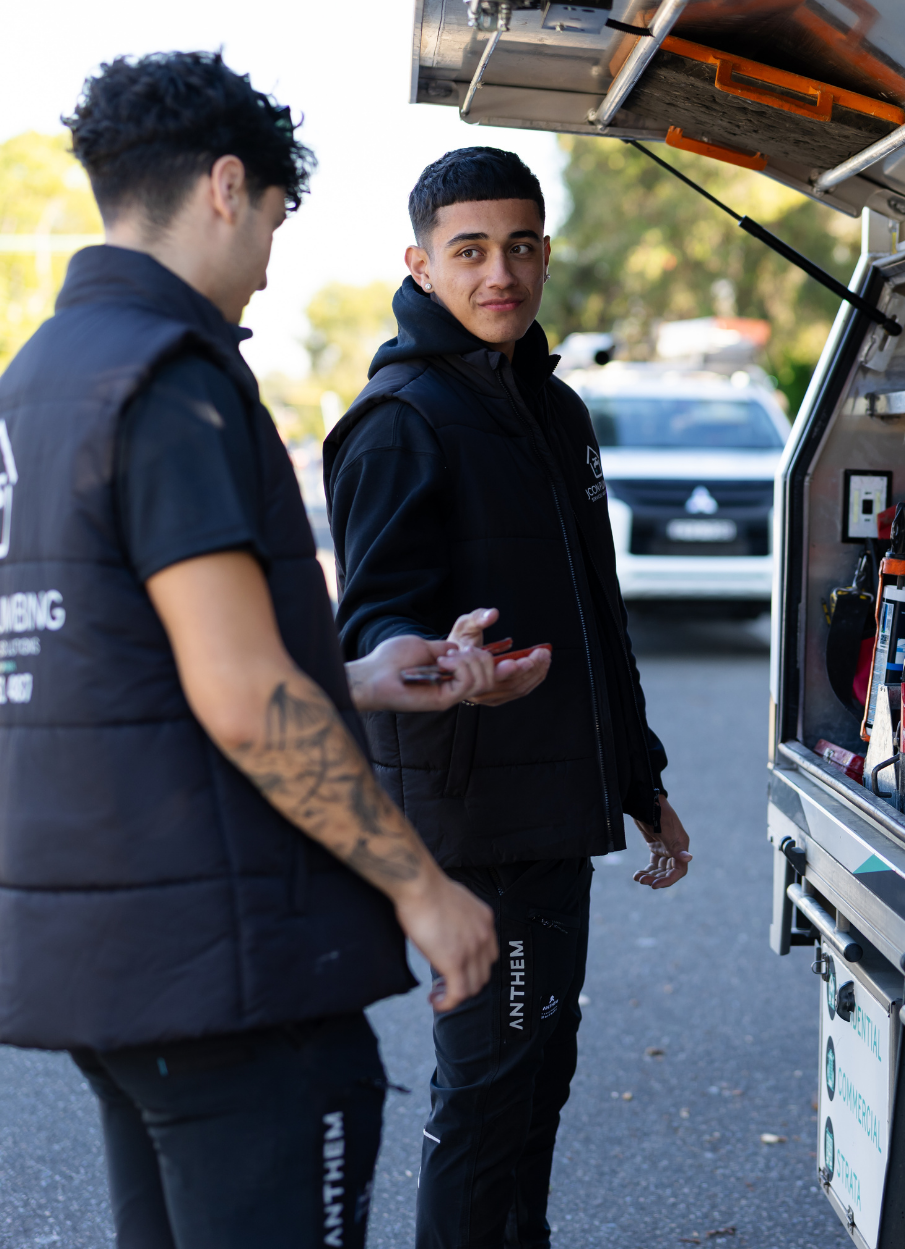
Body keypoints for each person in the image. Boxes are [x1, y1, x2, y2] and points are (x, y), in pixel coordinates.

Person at [0, 56, 548, 1249]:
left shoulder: (29, 389)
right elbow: (239, 697)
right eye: (280, 217)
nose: (275, 257)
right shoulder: (173, 381)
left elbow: (109, 669)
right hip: (228, 971)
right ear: (228, 187)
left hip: (97, 969)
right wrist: (421, 888)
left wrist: (356, 679)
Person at [324, 145, 692, 1249]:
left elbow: (596, 618)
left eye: (522, 245)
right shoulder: (400, 420)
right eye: (471, 250)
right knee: (490, 1097)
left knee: (535, 1078)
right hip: (471, 821)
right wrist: (436, 656)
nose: (502, 273)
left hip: (550, 813)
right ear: (420, 264)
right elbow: (371, 620)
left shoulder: (556, 408)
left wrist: (643, 783)